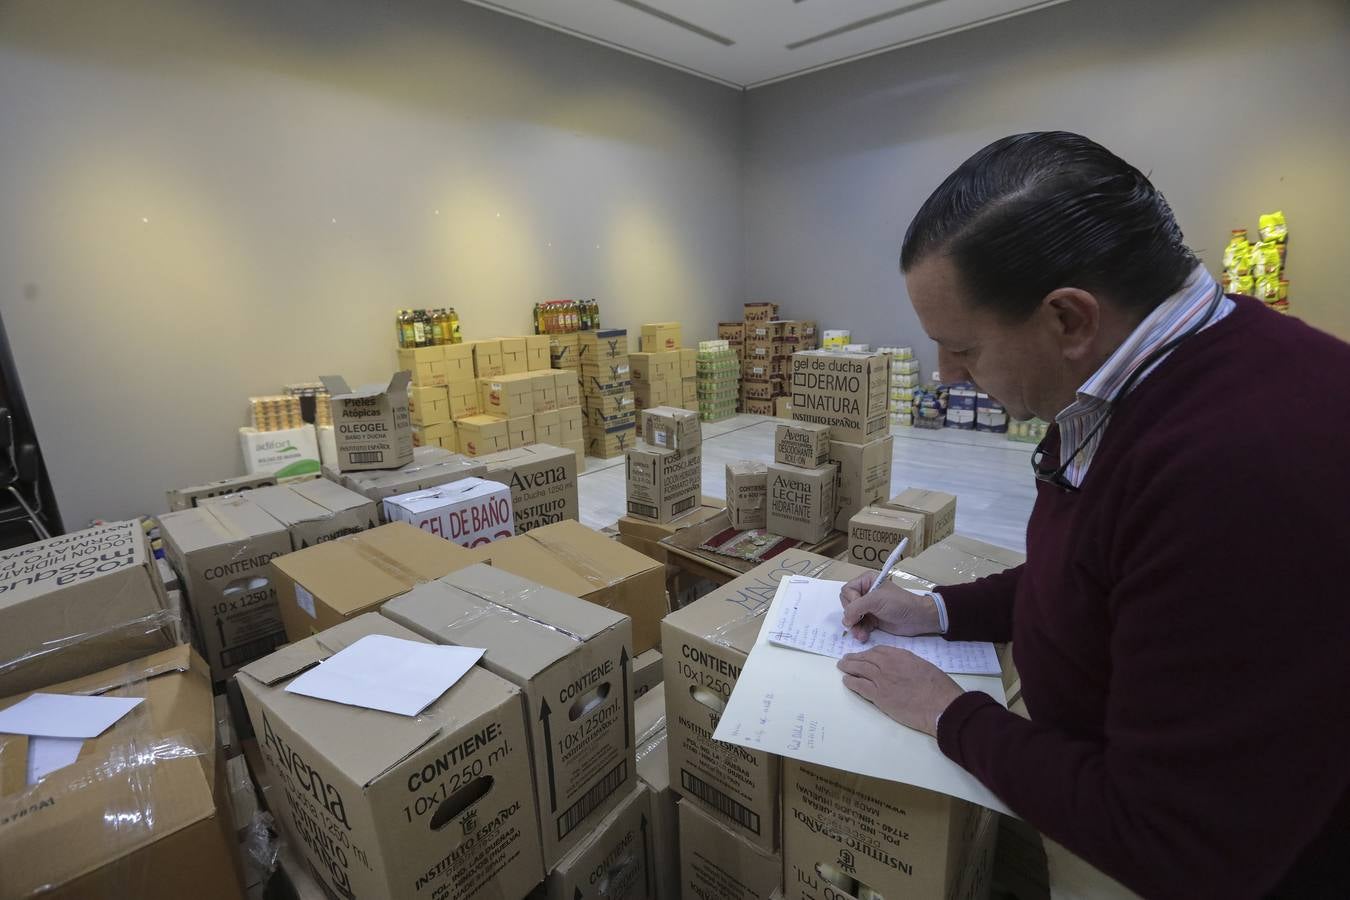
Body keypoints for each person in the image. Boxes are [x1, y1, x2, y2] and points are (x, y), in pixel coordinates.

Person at [835, 132, 1350, 899]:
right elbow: (1099, 572)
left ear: (1069, 320)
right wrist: (938, 609)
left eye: (964, 348)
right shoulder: (1178, 366)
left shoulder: (1234, 474)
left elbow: (1175, 840)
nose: (946, 376)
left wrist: (950, 713)